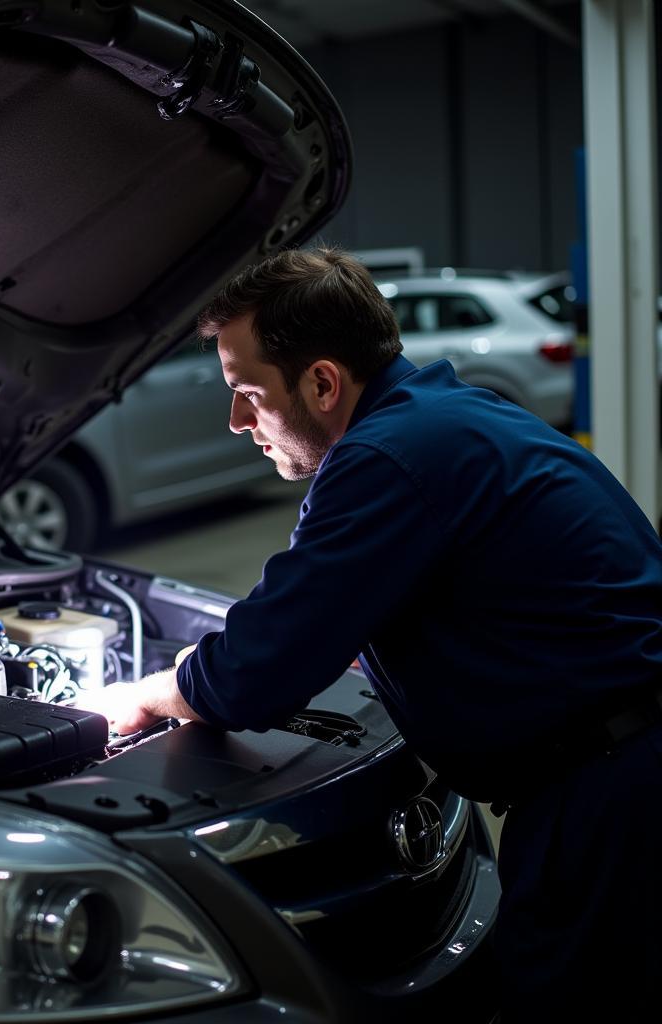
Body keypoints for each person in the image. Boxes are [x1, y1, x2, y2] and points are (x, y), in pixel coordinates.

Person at [81, 247, 662, 1020]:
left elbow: (260, 669)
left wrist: (160, 691)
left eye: (248, 393)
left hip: (612, 803)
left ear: (323, 382)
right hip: (618, 769)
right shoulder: (443, 417)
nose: (236, 422)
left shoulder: (387, 457)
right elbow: (380, 605)